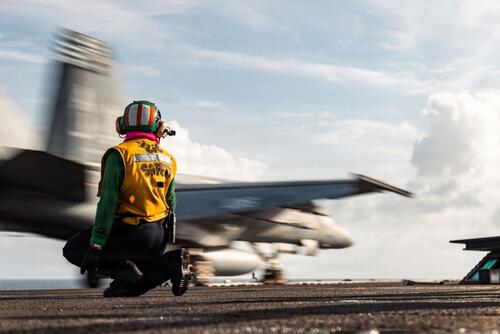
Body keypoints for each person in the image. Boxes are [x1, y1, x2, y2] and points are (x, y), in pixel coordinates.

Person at [63, 100, 191, 297]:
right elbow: (171, 202)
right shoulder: (169, 158)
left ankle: (122, 269)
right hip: (158, 236)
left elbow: (107, 203)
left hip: (130, 233)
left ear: (122, 125)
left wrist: (96, 245)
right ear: (159, 127)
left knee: (72, 249)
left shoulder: (120, 155)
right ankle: (170, 263)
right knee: (121, 291)